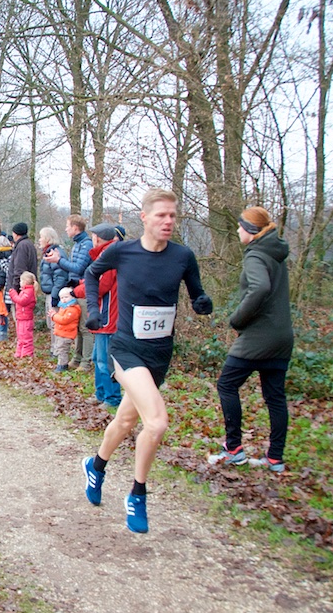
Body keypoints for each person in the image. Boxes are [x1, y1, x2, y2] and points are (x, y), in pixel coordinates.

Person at [81, 189, 213, 534]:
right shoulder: (122, 251)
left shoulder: (183, 256)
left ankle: (96, 466)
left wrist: (201, 302)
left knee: (126, 419)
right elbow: (91, 275)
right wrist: (94, 310)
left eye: (173, 215)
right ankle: (137, 494)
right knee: (156, 423)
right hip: (126, 349)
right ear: (144, 217)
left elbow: (196, 292)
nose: (168, 221)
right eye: (161, 215)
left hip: (160, 354)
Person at [209, 206, 293, 473]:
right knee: (275, 396)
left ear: (250, 230)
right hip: (282, 335)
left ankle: (233, 449)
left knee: (226, 384)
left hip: (258, 336)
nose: (237, 230)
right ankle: (275, 458)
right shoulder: (276, 252)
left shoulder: (256, 254)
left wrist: (237, 319)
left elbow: (260, 288)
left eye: (240, 226)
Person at [44, 214, 94, 370]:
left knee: (85, 328)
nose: (65, 229)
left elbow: (78, 268)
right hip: (75, 290)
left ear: (75, 227)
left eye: (67, 226)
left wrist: (59, 260)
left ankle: (86, 362)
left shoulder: (86, 244)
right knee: (78, 327)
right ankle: (77, 358)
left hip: (85, 290)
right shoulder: (77, 244)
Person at [88, 223, 123, 408]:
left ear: (97, 238)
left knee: (105, 360)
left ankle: (112, 397)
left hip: (107, 315)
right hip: (102, 313)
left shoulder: (108, 256)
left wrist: (80, 290)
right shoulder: (105, 254)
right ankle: (100, 393)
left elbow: (102, 286)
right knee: (97, 358)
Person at [38, 226, 70, 330]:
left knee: (55, 325)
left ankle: (57, 342)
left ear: (48, 238)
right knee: (51, 324)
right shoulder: (48, 252)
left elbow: (60, 277)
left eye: (41, 237)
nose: (39, 240)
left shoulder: (55, 253)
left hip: (54, 294)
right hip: (50, 292)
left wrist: (55, 296)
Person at [51, 286, 81, 372]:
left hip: (67, 333)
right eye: (62, 298)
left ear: (72, 297)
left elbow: (64, 320)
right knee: (60, 348)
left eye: (66, 297)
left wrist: (54, 316)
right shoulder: (63, 307)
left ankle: (62, 365)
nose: (64, 299)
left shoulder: (72, 309)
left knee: (63, 350)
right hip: (61, 332)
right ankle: (61, 363)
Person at [9, 271, 37, 357]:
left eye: (21, 281)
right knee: (20, 336)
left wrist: (13, 294)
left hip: (26, 318)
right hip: (21, 317)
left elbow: (21, 301)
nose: (20, 283)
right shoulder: (24, 291)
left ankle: (27, 354)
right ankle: (19, 352)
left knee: (26, 337)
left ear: (25, 282)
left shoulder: (29, 292)